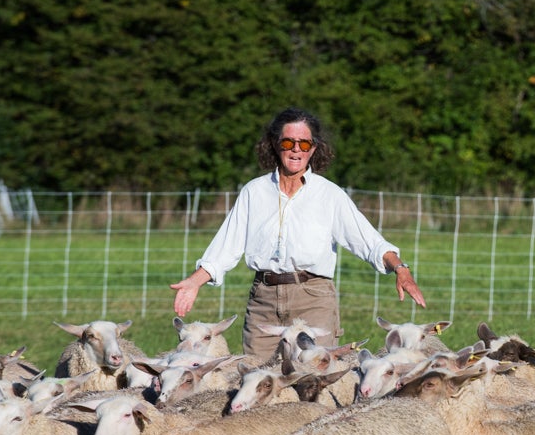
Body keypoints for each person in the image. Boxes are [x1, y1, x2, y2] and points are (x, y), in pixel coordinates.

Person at [170, 107, 424, 359]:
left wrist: (401, 269)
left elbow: (370, 242)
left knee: (314, 380)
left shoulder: (329, 195)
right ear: (275, 144)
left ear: (313, 149)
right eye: (289, 142)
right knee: (258, 380)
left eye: (304, 144)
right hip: (264, 300)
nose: (296, 150)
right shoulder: (253, 192)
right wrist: (195, 281)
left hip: (313, 299)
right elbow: (226, 246)